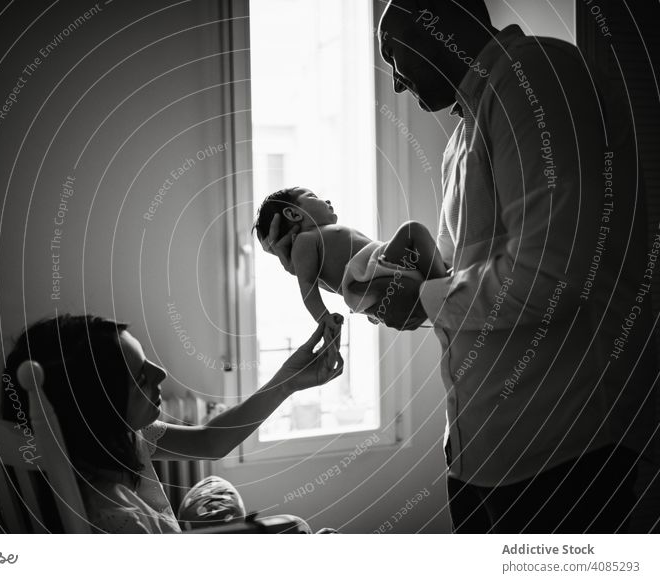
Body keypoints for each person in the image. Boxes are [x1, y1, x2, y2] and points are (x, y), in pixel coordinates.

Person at [263, 0, 657, 533]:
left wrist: (423, 298)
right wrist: (378, 284)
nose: (397, 84)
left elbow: (553, 276)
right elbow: (459, 283)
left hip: (564, 453)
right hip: (479, 456)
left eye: (394, 55)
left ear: (438, 22)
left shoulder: (534, 79)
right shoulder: (462, 139)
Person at [1, 314, 342, 533]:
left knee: (214, 489)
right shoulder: (119, 520)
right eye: (141, 376)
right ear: (100, 410)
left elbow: (211, 441)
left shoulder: (121, 438)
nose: (161, 374)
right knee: (293, 528)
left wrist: (287, 381)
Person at [253, 186, 446, 331]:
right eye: (313, 196)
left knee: (423, 264)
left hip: (380, 269)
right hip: (371, 274)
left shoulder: (318, 239)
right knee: (412, 231)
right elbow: (307, 286)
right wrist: (324, 318)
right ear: (294, 213)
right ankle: (446, 283)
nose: (326, 200)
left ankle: (442, 282)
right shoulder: (306, 240)